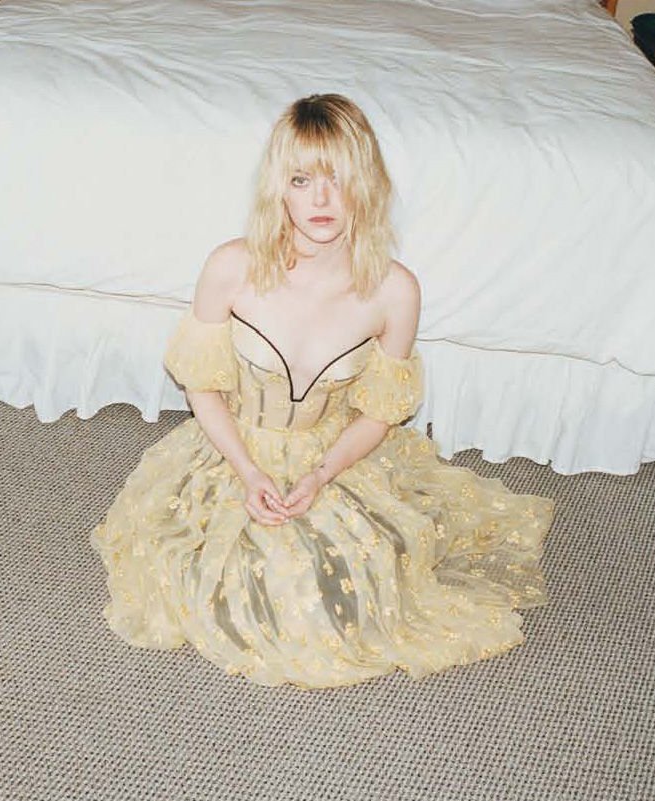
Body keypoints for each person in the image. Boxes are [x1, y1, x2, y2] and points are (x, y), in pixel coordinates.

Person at [90, 94, 553, 688]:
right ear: (278, 189)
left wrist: (318, 477)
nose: (321, 200)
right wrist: (248, 473)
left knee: (347, 586)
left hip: (334, 456)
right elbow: (203, 390)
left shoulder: (396, 291)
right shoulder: (231, 267)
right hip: (233, 449)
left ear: (367, 185)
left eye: (338, 179)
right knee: (228, 580)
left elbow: (377, 416)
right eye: (301, 180)